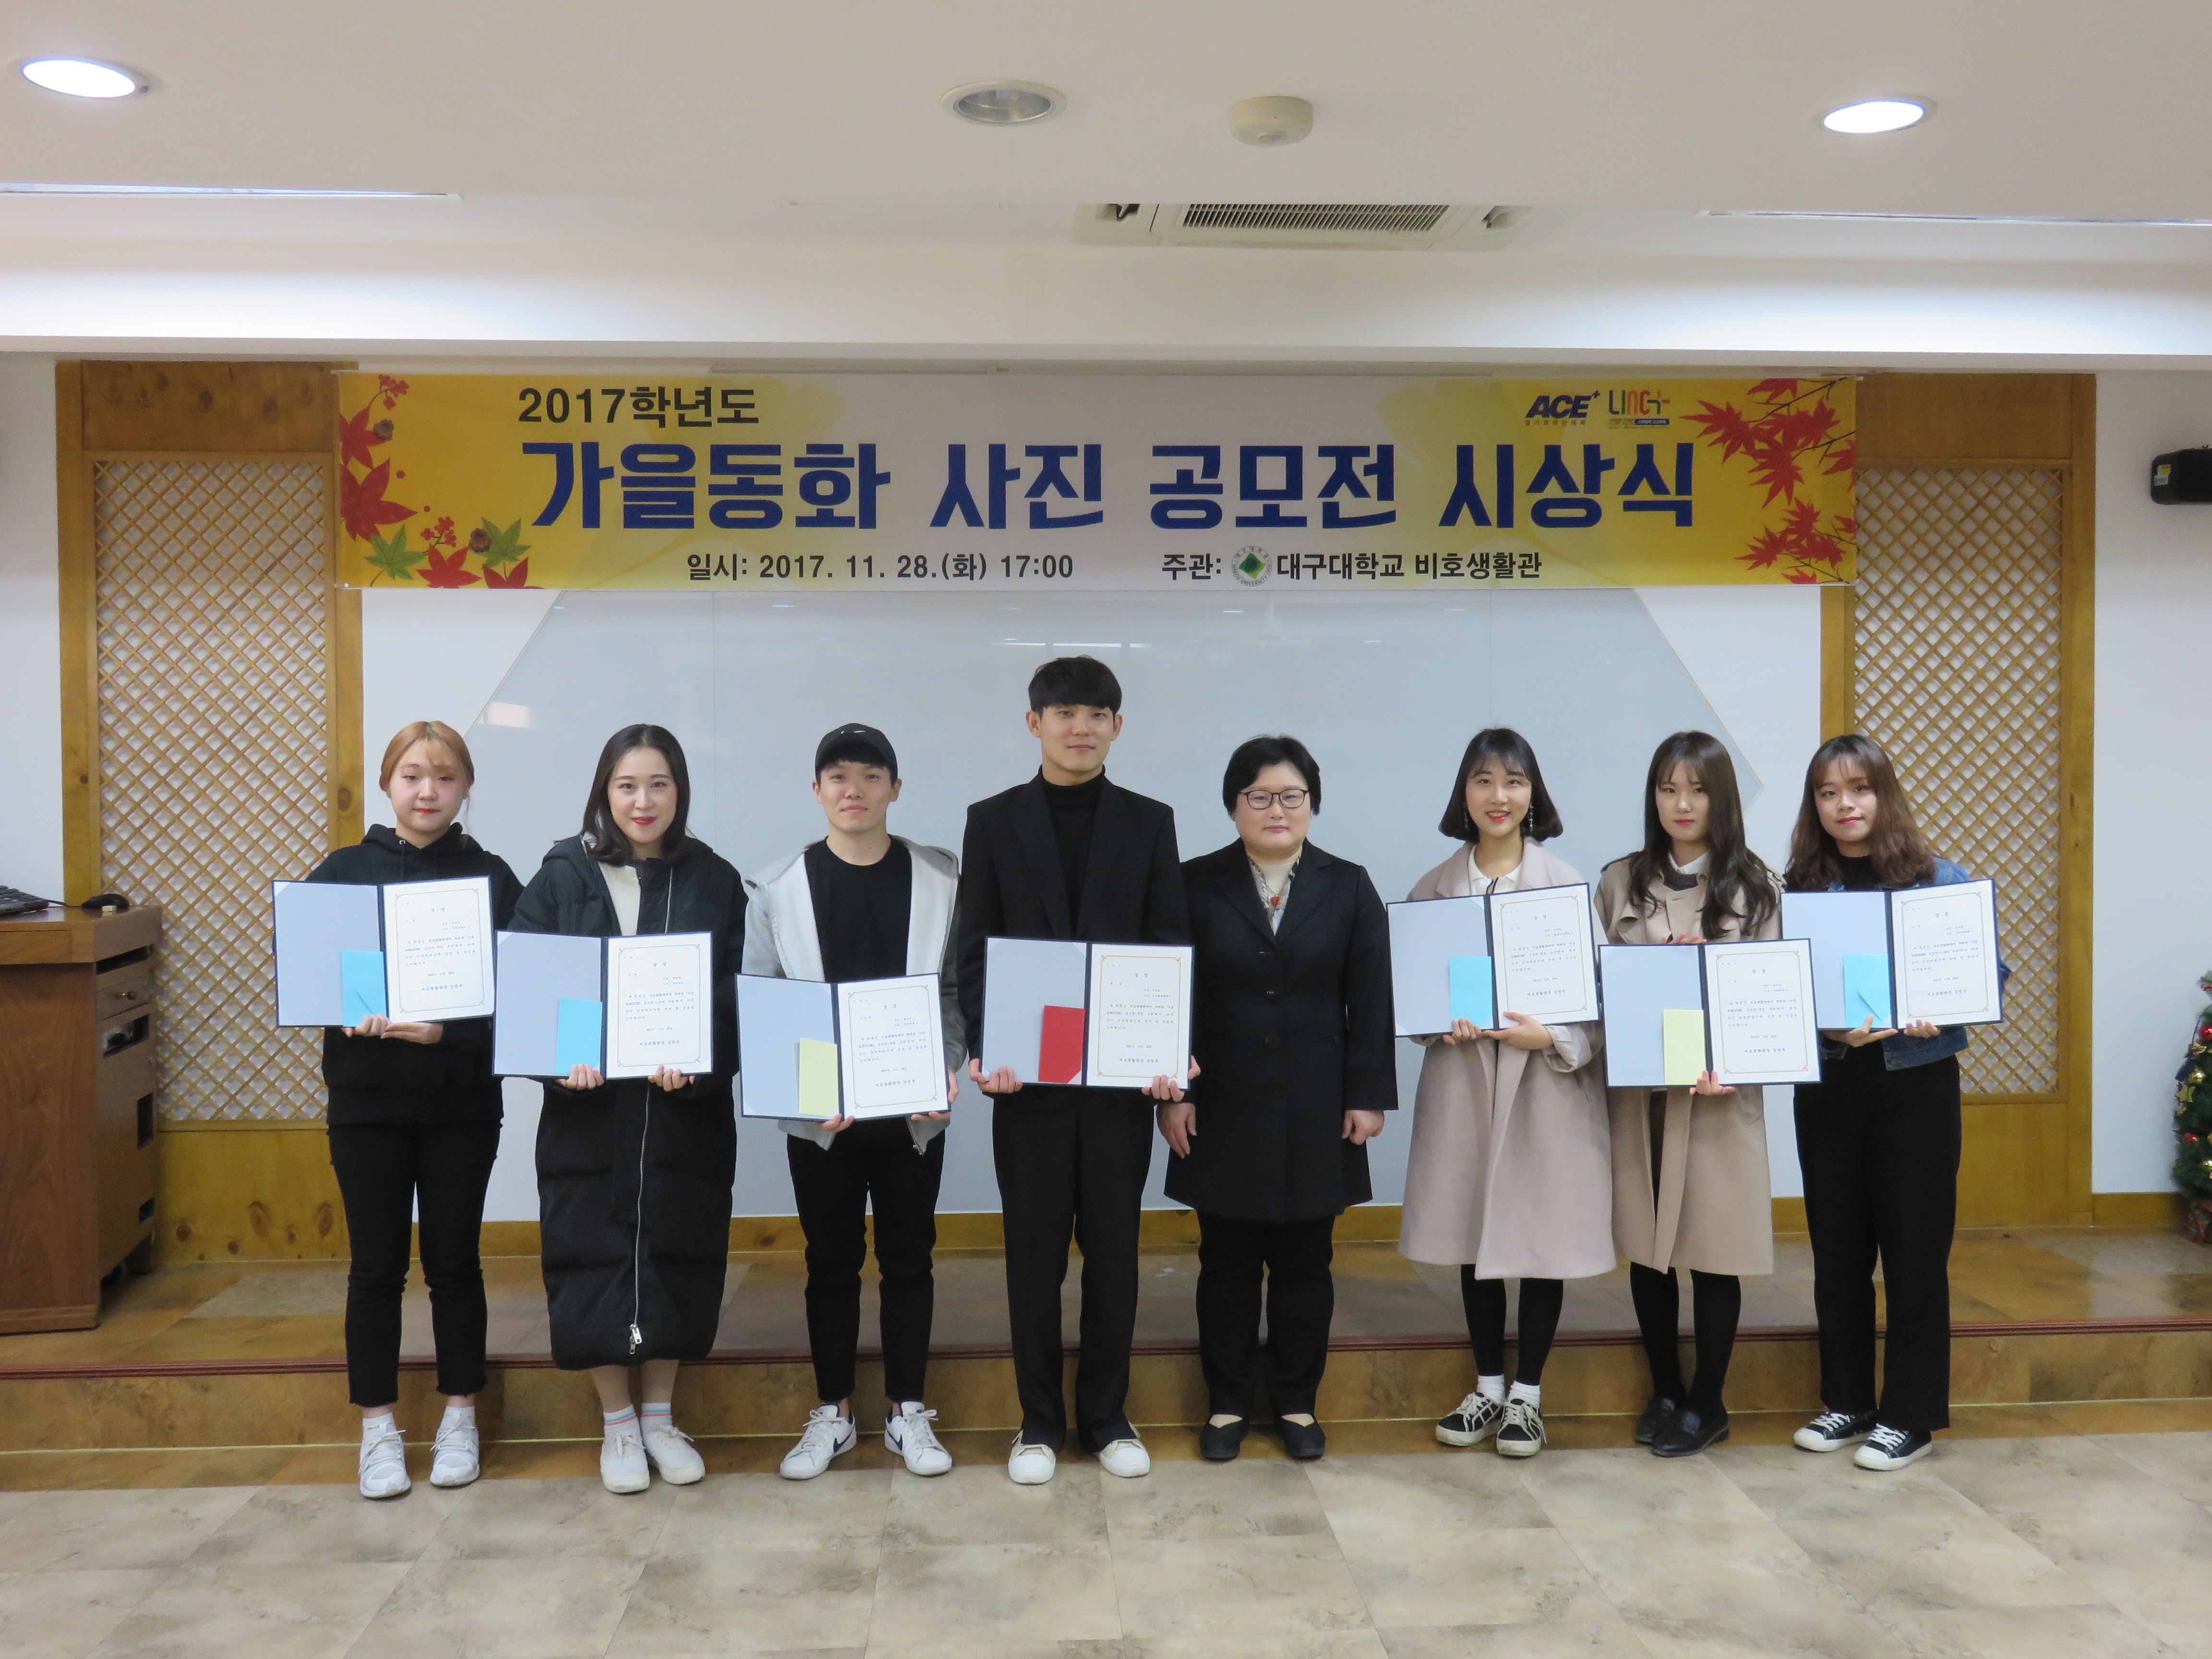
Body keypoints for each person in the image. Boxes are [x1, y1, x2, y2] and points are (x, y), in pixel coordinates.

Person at [957, 655, 1191, 1485]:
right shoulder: (992, 821)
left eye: (1097, 715)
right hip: (1029, 1084)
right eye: (1064, 714)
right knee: (1033, 1258)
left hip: (1120, 1085)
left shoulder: (1149, 822)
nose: (1080, 728)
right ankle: (1037, 1423)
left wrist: (1168, 1056)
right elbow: (976, 951)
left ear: (1117, 727)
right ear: (1035, 724)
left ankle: (1107, 1417)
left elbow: (1168, 945)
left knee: (1115, 1256)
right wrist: (988, 1047)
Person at [510, 724, 747, 1494]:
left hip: (683, 1113)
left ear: (680, 792)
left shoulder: (713, 879)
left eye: (659, 784)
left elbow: (738, 992)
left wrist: (699, 1061)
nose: (643, 801)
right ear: (603, 793)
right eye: (627, 786)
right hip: (589, 1118)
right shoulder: (561, 876)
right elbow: (529, 989)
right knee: (591, 1255)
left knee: (679, 1251)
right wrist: (560, 1063)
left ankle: (660, 1418)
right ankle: (617, 1422)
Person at [1159, 735, 1395, 1463]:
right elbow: (1169, 994)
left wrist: (1368, 1096)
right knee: (1226, 1262)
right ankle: (1227, 1403)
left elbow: (1371, 998)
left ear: (1313, 804)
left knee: (1306, 1264)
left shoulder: (1348, 885)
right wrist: (1173, 1092)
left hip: (1319, 1104)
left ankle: (1296, 1401)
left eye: (1292, 796)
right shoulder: (1195, 883)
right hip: (1220, 1103)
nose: (1277, 809)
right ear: (1233, 806)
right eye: (1259, 796)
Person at [742, 723, 962, 1480]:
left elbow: (954, 991)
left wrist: (945, 1065)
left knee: (910, 1259)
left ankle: (908, 1412)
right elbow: (763, 1002)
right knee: (829, 1262)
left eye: (871, 776)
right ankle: (833, 1413)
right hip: (823, 1123)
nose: (855, 790)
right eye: (838, 777)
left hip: (912, 1116)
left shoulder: (941, 880)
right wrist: (808, 1096)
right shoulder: (777, 887)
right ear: (817, 791)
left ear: (895, 789)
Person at [313, 721, 522, 1501]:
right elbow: (307, 970)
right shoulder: (342, 873)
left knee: (455, 1264)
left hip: (461, 1105)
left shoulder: (492, 878)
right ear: (386, 785)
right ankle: (378, 1429)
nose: (427, 791)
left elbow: (522, 994)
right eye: (411, 776)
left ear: (466, 788)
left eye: (444, 777)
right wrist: (344, 1007)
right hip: (366, 1105)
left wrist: (448, 1030)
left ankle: (461, 1415)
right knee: (375, 1270)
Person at [1784, 733, 2005, 1472]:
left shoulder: (1938, 880)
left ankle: (1909, 1416)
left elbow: (1989, 976)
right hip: (1832, 1084)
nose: (1844, 805)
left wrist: (1940, 1007)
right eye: (1828, 793)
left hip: (1916, 1088)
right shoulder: (1802, 889)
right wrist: (1824, 1025)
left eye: (1858, 789)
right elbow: (1781, 992)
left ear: (1884, 795)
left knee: (1914, 1253)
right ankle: (1847, 1401)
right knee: (1837, 1250)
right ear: (1815, 806)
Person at [1399, 728, 1611, 1460]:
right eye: (1484, 781)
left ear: (1533, 794)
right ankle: (1487, 1387)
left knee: (1543, 1238)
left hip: (1544, 1086)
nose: (1499, 796)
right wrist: (1438, 1023)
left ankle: (1528, 1398)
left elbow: (1599, 1005)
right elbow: (1414, 1001)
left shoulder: (1564, 885)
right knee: (1472, 1234)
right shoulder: (1433, 889)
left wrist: (1551, 1036)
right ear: (1464, 792)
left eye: (1514, 782)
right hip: (1465, 1085)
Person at [1595, 731, 1781, 1459]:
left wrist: (1731, 1047)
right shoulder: (1619, 882)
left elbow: (1773, 1000)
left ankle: (1709, 1402)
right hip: (1642, 1091)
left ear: (1721, 799)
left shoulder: (1757, 889)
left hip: (1716, 1097)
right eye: (1668, 788)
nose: (1681, 804)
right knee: (1648, 1250)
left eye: (1698, 790)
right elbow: (1596, 990)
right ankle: (1666, 1389)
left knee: (1713, 1247)